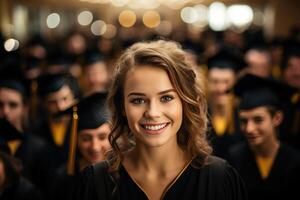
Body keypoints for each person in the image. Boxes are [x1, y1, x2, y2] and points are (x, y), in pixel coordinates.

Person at [75, 40, 247, 200]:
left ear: (185, 102)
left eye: (166, 98)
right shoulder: (95, 183)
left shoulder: (219, 180)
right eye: (138, 100)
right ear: (122, 107)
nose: (153, 113)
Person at [228, 73, 300, 200]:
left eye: (258, 120)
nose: (249, 129)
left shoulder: (295, 161)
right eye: (244, 121)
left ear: (277, 118)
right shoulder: (233, 160)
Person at [50, 92, 111, 200]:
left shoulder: (124, 174)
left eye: (102, 137)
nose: (95, 147)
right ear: (75, 139)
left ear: (112, 136)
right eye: (86, 138)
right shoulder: (63, 179)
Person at [206, 47, 245, 159]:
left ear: (235, 82)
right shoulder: (198, 115)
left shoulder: (243, 115)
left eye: (226, 82)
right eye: (215, 81)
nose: (220, 88)